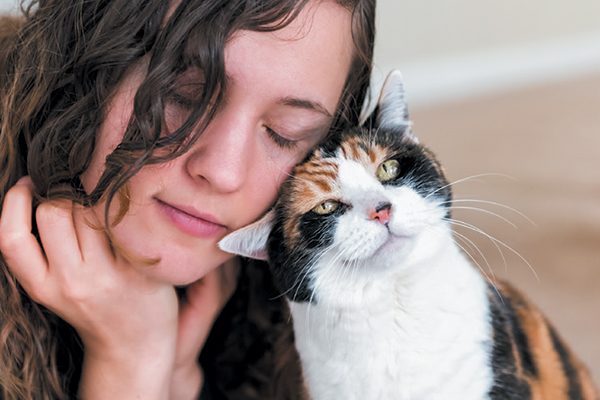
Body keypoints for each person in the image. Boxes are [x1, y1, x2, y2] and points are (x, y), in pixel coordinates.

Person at [0, 0, 375, 399]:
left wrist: (175, 380)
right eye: (186, 96)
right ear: (84, 57)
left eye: (285, 133)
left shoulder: (289, 316)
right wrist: (132, 363)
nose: (224, 173)